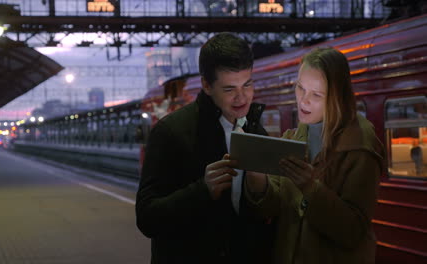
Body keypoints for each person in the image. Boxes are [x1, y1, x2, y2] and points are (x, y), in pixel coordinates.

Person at [136, 32, 273, 264]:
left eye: (247, 84)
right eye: (229, 89)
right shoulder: (171, 132)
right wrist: (202, 190)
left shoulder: (256, 132)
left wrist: (264, 190)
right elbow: (147, 219)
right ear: (206, 86)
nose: (242, 98)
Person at [244, 47, 385, 264]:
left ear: (337, 97)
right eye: (300, 88)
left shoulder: (360, 147)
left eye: (316, 94)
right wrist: (257, 178)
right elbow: (272, 208)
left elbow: (353, 232)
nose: (303, 100)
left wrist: (311, 189)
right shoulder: (293, 137)